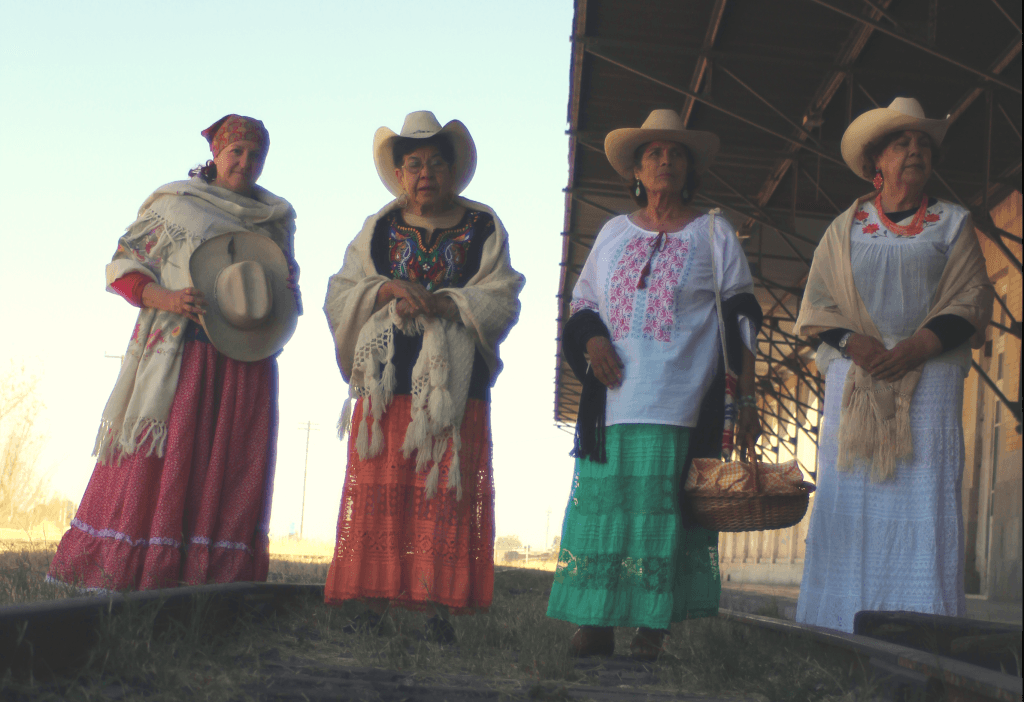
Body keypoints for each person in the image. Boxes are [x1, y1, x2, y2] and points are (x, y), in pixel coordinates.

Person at [48, 114, 300, 591]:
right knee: (171, 456)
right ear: (215, 155)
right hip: (185, 355)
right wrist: (168, 299)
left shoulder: (276, 221)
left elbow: (288, 289)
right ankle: (137, 572)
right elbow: (123, 267)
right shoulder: (178, 206)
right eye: (236, 152)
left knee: (229, 467)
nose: (245, 162)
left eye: (255, 155)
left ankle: (213, 584)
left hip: (246, 362)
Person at [546, 109, 763, 660]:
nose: (665, 160)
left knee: (663, 514)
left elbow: (741, 312)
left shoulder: (713, 232)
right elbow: (583, 303)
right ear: (636, 172)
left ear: (688, 169)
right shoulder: (614, 233)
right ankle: (595, 622)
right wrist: (593, 342)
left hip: (682, 402)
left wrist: (750, 396)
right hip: (613, 405)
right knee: (604, 510)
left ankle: (651, 630)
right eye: (653, 153)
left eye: (676, 153)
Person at [793, 97, 994, 632]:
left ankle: (923, 628)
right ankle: (838, 622)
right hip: (854, 377)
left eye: (923, 145)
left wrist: (917, 346)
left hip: (928, 382)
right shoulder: (846, 227)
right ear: (875, 162)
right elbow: (817, 303)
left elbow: (971, 298)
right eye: (902, 143)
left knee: (922, 498)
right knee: (851, 495)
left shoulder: (952, 223)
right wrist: (854, 343)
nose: (915, 151)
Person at [323, 111, 523, 643]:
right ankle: (373, 603)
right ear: (399, 173)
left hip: (453, 383)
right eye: (413, 164)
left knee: (446, 492)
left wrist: (451, 302)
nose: (424, 173)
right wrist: (385, 290)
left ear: (454, 170)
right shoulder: (381, 228)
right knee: (380, 490)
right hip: (390, 380)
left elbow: (502, 295)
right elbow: (343, 290)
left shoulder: (482, 226)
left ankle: (439, 610)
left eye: (436, 162)